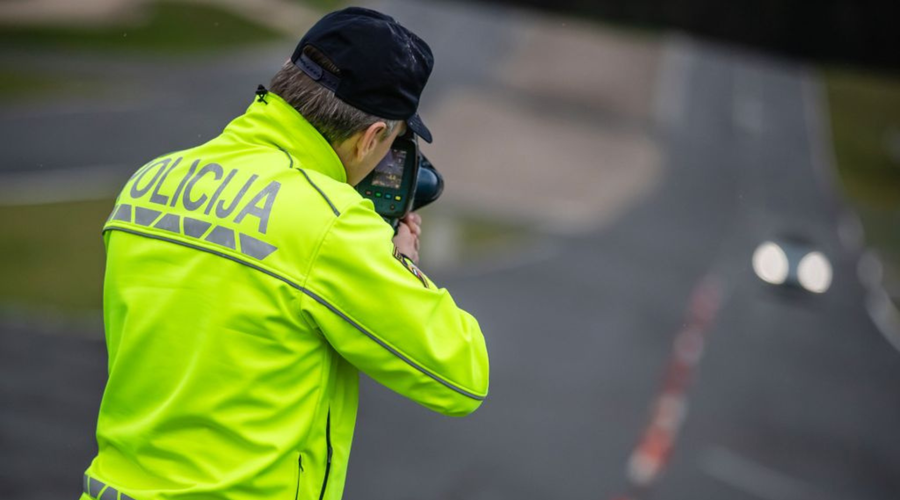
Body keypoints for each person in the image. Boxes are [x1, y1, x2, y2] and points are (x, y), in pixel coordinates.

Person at [80, 7, 489, 500]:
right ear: (373, 136)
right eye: (394, 144)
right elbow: (462, 375)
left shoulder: (151, 179)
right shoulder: (331, 222)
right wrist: (398, 262)